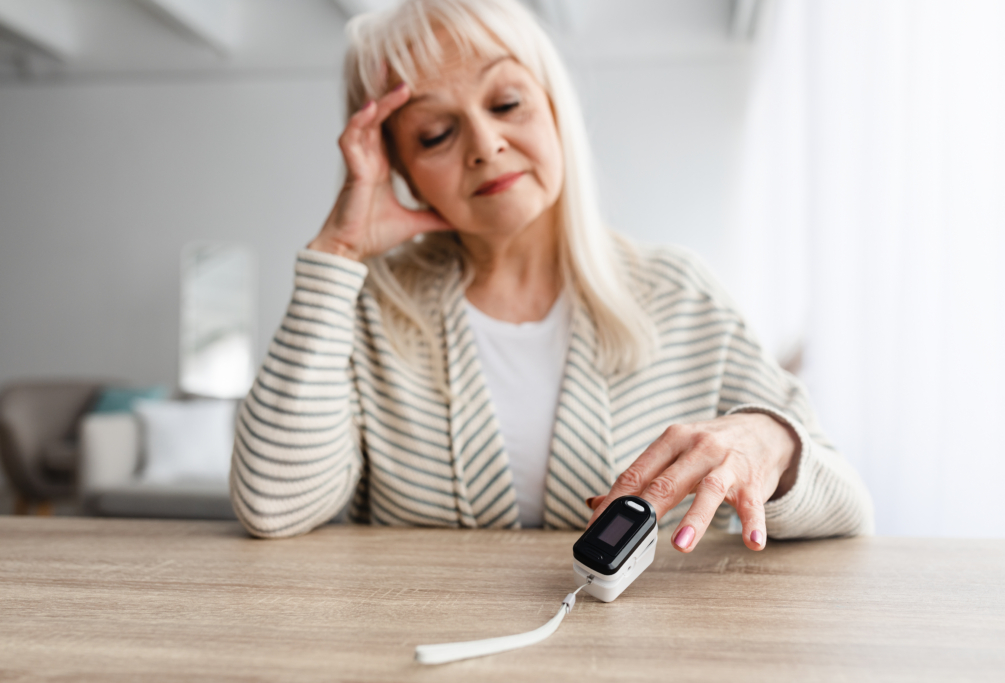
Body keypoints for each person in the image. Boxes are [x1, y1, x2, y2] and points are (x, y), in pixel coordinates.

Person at [230, 0, 873, 553]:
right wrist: (338, 251)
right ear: (397, 168)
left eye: (506, 101)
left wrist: (770, 443)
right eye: (434, 134)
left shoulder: (679, 292)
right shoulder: (365, 309)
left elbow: (849, 510)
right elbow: (271, 504)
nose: (485, 143)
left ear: (554, 106)